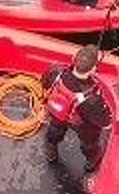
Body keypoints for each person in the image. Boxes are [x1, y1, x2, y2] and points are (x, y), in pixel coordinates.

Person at [41, 44, 113, 175]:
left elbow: (45, 83)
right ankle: (91, 162)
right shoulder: (92, 100)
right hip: (79, 123)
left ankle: (51, 150)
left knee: (54, 129)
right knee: (90, 143)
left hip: (57, 113)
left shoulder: (55, 72)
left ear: (73, 58)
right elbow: (105, 122)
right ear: (93, 70)